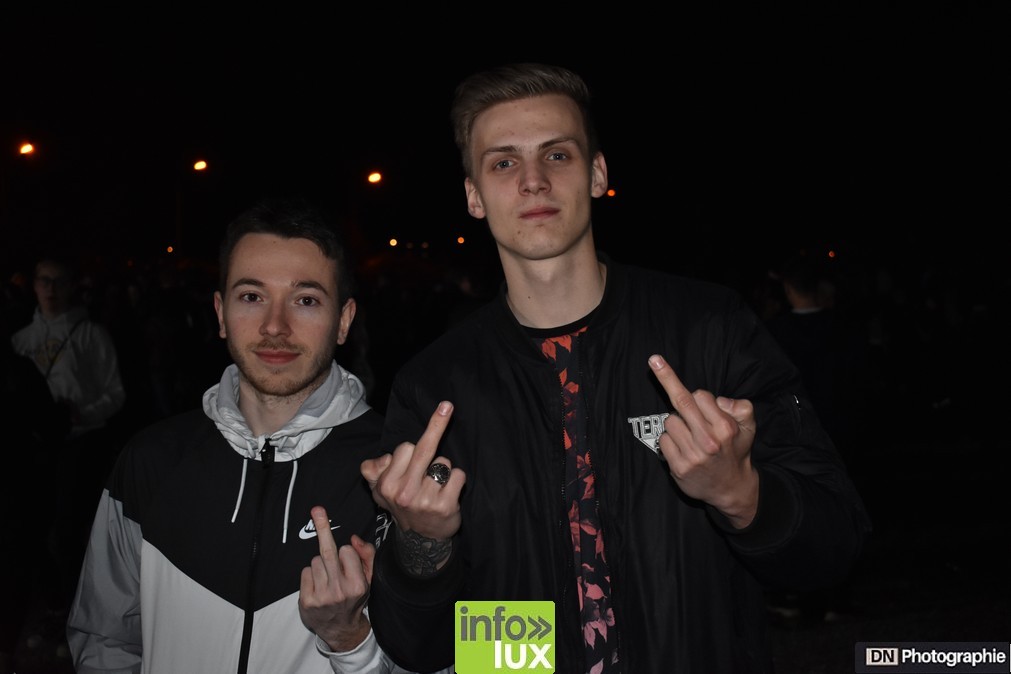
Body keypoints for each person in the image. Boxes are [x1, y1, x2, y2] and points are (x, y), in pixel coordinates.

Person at [362, 63, 872, 673]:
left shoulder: (708, 328)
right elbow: (419, 647)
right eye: (503, 163)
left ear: (598, 173)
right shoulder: (437, 383)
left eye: (557, 155)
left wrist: (740, 494)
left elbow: (834, 547)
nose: (532, 181)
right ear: (474, 195)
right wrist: (422, 546)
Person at [66, 198, 422, 673]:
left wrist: (350, 642)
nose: (275, 326)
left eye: (306, 300)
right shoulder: (151, 459)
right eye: (252, 296)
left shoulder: (399, 476)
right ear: (220, 313)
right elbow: (104, 639)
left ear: (343, 320)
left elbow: (461, 656)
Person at [10, 254, 127, 612]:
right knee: (30, 530)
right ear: (34, 285)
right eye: (44, 280)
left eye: (59, 281)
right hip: (34, 448)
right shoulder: (21, 339)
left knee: (69, 529)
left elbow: (115, 392)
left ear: (72, 286)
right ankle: (48, 606)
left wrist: (82, 414)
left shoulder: (91, 335)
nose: (51, 289)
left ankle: (76, 607)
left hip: (81, 444)